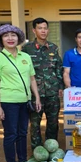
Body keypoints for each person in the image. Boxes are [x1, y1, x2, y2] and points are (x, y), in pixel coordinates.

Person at [0, 24, 41, 162]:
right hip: (8, 102)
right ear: (1, 39)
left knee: (22, 133)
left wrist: (36, 97)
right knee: (11, 134)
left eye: (13, 35)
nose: (10, 38)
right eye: (6, 35)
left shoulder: (25, 57)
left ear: (18, 38)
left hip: (24, 101)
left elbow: (32, 79)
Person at [22, 17, 64, 150]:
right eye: (40, 28)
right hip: (36, 94)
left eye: (45, 28)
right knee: (35, 124)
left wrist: (60, 87)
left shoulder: (53, 47)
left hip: (52, 92)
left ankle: (51, 149)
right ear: (34, 30)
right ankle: (37, 151)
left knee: (53, 123)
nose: (43, 31)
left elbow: (59, 67)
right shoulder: (26, 49)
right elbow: (25, 71)